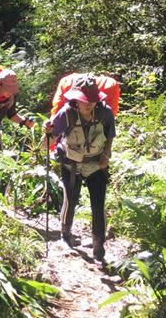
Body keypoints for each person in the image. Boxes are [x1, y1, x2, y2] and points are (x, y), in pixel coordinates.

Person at [43, 74, 115, 264]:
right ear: (75, 99)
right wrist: (48, 132)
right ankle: (65, 235)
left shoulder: (105, 112)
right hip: (71, 164)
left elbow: (109, 136)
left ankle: (99, 249)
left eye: (92, 99)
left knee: (98, 206)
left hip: (96, 164)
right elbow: (50, 141)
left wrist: (106, 157)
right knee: (71, 199)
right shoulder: (66, 114)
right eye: (84, 100)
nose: (88, 103)